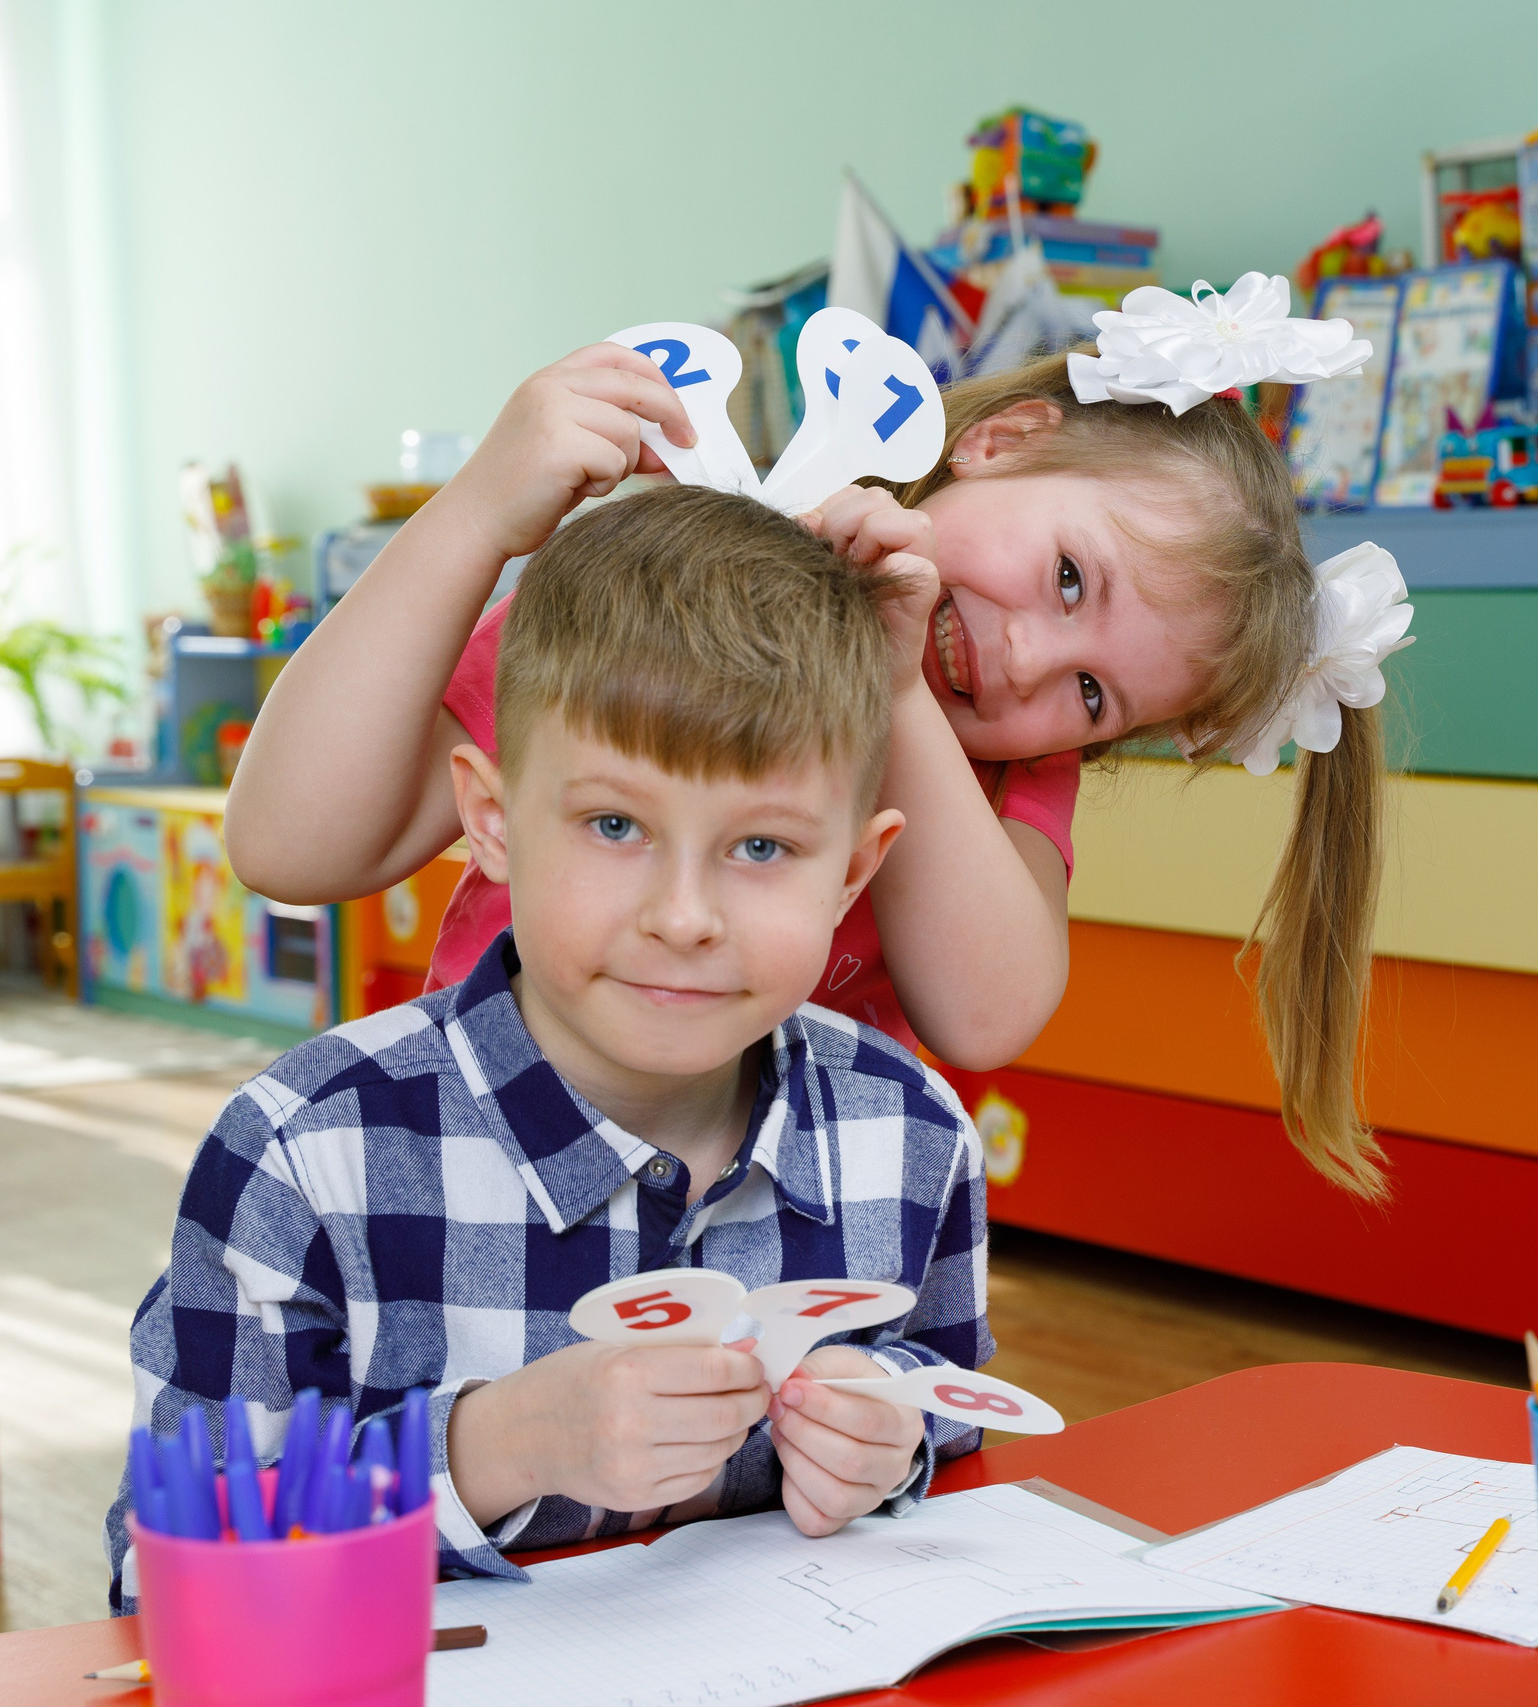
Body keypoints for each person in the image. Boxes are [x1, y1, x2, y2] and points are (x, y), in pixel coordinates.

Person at [227, 276, 1410, 1196]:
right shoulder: (649, 602)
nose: (1027, 662)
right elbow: (290, 846)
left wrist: (894, 688)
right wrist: (476, 513)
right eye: (1067, 577)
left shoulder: (1004, 771)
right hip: (482, 1173)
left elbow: (986, 1018)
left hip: (786, 1229)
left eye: (1095, 697)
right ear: (1004, 442)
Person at [108, 487, 987, 1605]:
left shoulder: (910, 1133)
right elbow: (162, 1576)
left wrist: (891, 1435)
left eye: (762, 846)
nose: (684, 917)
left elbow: (952, 1419)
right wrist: (493, 1448)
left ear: (855, 871)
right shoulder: (305, 1156)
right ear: (490, 819)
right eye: (615, 826)